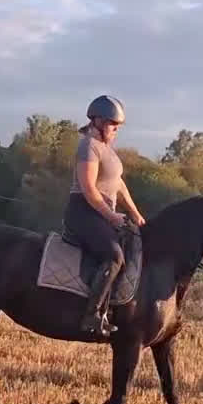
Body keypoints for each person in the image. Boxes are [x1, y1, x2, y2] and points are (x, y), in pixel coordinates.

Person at [64, 95, 146, 337]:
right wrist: (111, 217)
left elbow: (119, 185)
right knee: (114, 255)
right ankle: (92, 315)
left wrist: (136, 215)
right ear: (97, 121)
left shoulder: (106, 149)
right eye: (113, 125)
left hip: (100, 213)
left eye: (118, 126)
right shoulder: (87, 146)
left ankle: (119, 309)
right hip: (83, 213)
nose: (116, 130)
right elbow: (89, 189)